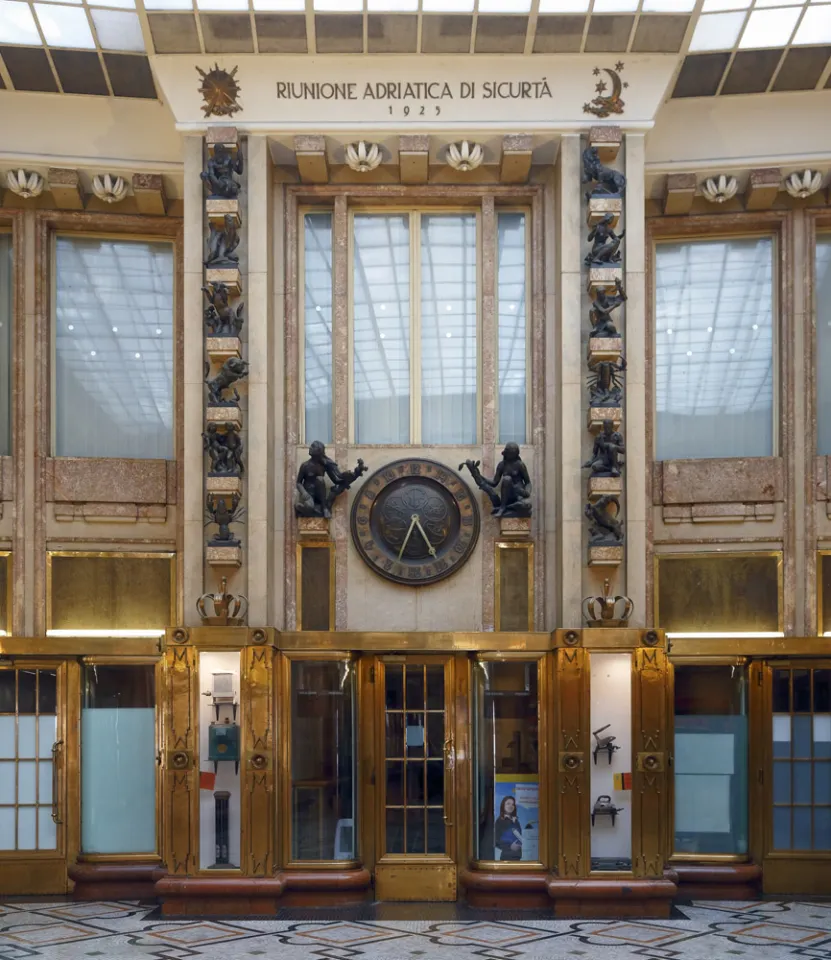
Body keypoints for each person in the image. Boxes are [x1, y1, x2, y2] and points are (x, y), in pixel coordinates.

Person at [494, 795, 523, 861]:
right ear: (503, 806)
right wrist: (510, 847)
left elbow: (519, 837)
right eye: (508, 804)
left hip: (517, 857)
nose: (511, 806)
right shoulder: (499, 821)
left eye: (513, 804)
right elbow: (496, 841)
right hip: (506, 858)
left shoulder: (516, 821)